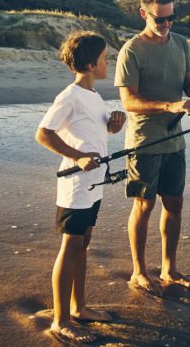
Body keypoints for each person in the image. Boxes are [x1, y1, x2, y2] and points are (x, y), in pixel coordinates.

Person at [115, 0, 190, 295]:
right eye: (160, 19)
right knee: (143, 206)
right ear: (143, 14)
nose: (166, 25)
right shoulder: (131, 50)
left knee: (174, 204)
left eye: (171, 18)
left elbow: (188, 86)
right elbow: (129, 101)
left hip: (175, 141)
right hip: (144, 141)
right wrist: (169, 106)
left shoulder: (181, 44)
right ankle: (139, 272)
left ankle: (170, 269)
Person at [35, 31, 126, 343]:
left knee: (83, 244)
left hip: (94, 183)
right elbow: (44, 134)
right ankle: (60, 320)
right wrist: (78, 157)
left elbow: (96, 131)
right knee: (71, 247)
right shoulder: (70, 96)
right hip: (75, 184)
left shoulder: (94, 96)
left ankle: (80, 307)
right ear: (90, 64)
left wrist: (115, 122)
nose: (108, 62)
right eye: (104, 58)